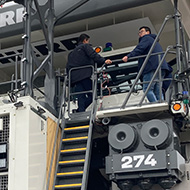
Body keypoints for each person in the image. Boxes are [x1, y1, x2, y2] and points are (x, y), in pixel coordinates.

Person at [122, 26, 170, 102]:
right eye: (139, 32)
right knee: (158, 90)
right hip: (161, 67)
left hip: (151, 67)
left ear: (148, 32)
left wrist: (128, 56)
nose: (140, 34)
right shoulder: (154, 41)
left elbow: (140, 48)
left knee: (147, 89)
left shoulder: (146, 38)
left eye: (142, 31)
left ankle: (155, 105)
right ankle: (161, 103)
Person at [67, 33, 112, 112]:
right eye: (88, 41)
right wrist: (104, 61)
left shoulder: (71, 53)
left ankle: (80, 110)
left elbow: (68, 66)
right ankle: (81, 109)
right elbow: (93, 55)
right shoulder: (85, 47)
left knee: (81, 96)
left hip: (75, 78)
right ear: (85, 40)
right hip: (84, 75)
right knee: (93, 94)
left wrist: (70, 79)